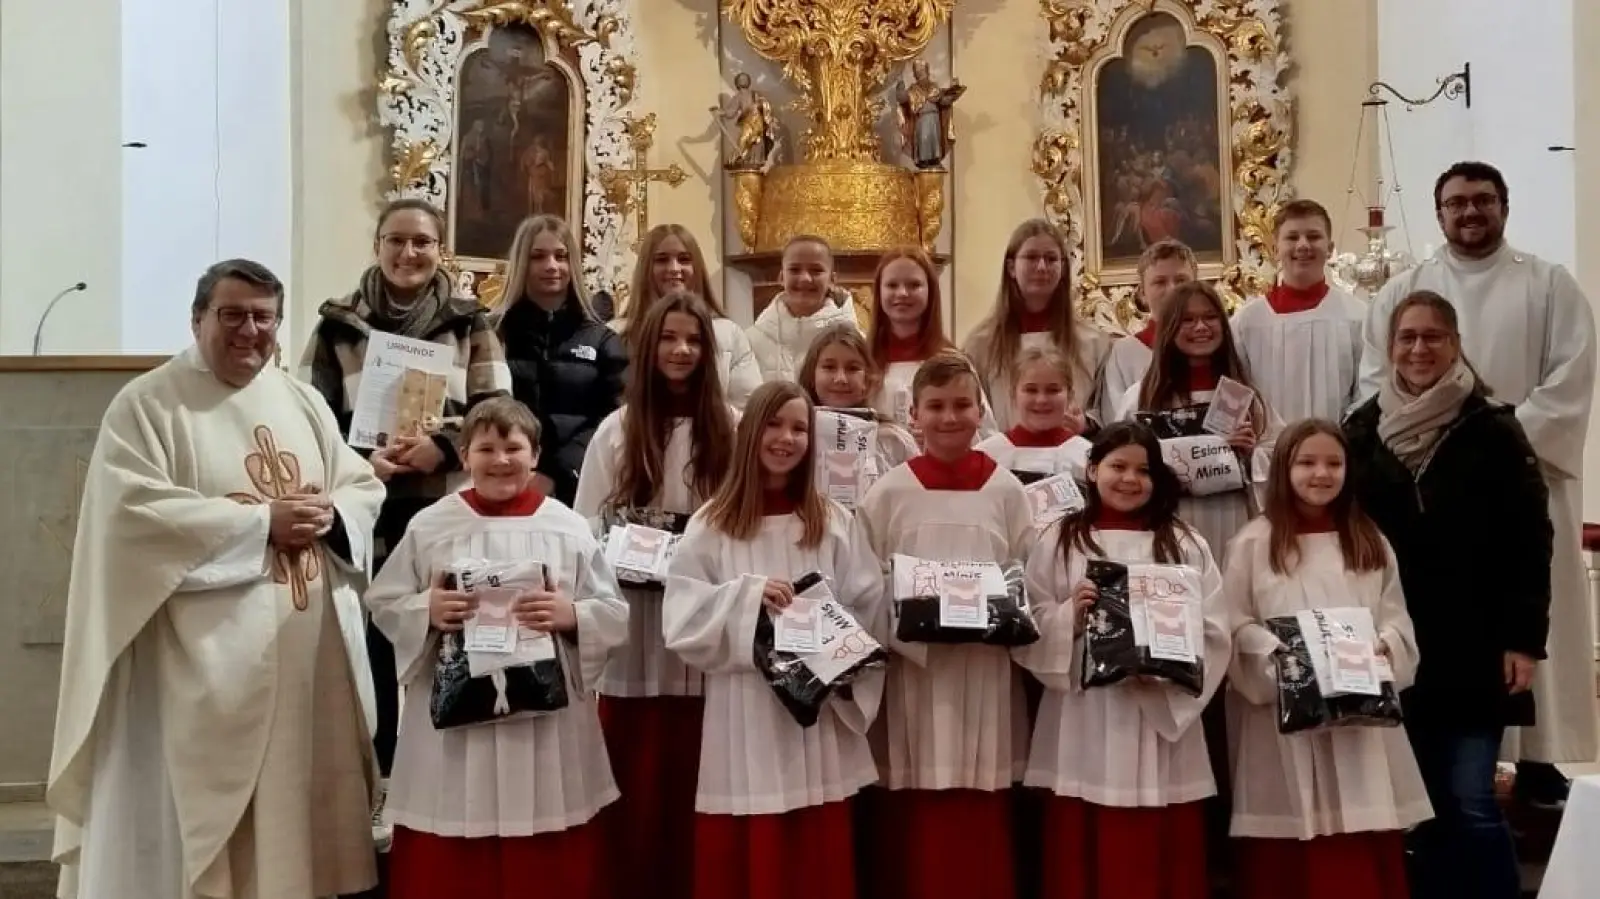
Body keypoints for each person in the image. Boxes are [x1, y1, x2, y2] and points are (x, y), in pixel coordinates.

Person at [48, 259, 387, 899]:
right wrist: (261, 524)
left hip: (304, 663)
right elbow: (132, 516)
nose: (249, 331)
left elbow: (360, 484)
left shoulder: (301, 399)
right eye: (231, 315)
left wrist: (332, 514)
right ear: (197, 319)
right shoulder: (149, 404)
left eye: (264, 317)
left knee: (298, 826)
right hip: (200, 669)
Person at [1356, 162, 1596, 805]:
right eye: (1456, 202)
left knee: (1530, 607)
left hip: (1522, 480)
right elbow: (1375, 380)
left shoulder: (1548, 284)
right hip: (1424, 485)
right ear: (1438, 212)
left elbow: (1572, 377)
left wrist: (1500, 440)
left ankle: (1540, 759)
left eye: (1483, 200)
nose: (1470, 211)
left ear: (1503, 207)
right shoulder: (1406, 288)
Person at [365, 397, 629, 899]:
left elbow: (614, 613)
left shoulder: (567, 527)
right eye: (486, 449)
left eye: (514, 448)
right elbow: (384, 602)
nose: (501, 460)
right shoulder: (431, 525)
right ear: (464, 455)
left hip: (546, 726)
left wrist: (572, 615)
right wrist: (427, 609)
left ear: (536, 455)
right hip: (455, 729)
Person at [301, 198, 510, 819]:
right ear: (378, 245)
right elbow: (310, 418)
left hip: (443, 506)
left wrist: (442, 446)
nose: (409, 253)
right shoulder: (336, 325)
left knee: (445, 635)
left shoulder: (471, 322)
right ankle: (380, 776)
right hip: (365, 509)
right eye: (397, 240)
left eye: (422, 242)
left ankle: (446, 779)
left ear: (440, 250)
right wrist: (361, 461)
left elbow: (497, 410)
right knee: (371, 641)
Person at [1345, 290, 1553, 899]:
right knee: (1418, 807)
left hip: (1474, 644)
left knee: (1470, 800)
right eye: (1407, 337)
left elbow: (1530, 540)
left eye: (1432, 336)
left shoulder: (1493, 427)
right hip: (1393, 645)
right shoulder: (1360, 430)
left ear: (1456, 344)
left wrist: (1524, 640)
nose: (1419, 348)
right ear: (1390, 347)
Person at [663, 381, 887, 899]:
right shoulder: (712, 524)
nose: (786, 438)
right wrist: (747, 598)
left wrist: (829, 629)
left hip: (815, 714)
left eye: (799, 428)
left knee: (814, 850)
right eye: (774, 424)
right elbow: (681, 620)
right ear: (748, 431)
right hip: (745, 711)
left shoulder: (831, 520)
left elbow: (867, 601)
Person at [1017, 422, 1229, 899]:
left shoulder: (1183, 542)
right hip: (1084, 713)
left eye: (1143, 470)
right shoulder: (1061, 539)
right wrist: (1070, 615)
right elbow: (1032, 614)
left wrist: (1169, 661)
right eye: (1118, 466)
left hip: (1158, 711)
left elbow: (1216, 628)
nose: (1130, 479)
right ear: (1092, 470)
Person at [573, 292, 737, 899]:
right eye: (669, 338)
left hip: (704, 626)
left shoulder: (732, 428)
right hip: (637, 630)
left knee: (698, 775)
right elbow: (585, 529)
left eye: (693, 340)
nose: (681, 350)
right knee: (636, 777)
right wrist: (626, 554)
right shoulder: (616, 432)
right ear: (648, 348)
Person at [1224, 419, 1430, 899]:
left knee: (1359, 834)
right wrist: (1278, 656)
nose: (1321, 474)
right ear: (1283, 468)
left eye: (1334, 463)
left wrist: (1385, 645)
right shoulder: (1254, 542)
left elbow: (1396, 617)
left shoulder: (1368, 538)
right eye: (1307, 462)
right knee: (1290, 839)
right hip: (1285, 716)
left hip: (1359, 717)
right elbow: (1234, 623)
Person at [858, 351, 1035, 899]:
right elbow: (865, 581)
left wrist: (1003, 614)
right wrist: (909, 615)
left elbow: (1028, 572)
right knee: (914, 795)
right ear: (914, 415)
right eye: (935, 406)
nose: (950, 417)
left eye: (962, 405)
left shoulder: (1007, 490)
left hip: (986, 669)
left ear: (981, 411)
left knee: (982, 796)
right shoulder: (889, 492)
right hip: (916, 672)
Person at [496, 214, 629, 507]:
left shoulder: (602, 339)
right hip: (503, 478)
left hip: (580, 486)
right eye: (538, 256)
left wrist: (556, 473)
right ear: (522, 262)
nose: (551, 266)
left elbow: (615, 417)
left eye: (561, 256)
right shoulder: (495, 333)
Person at [964, 219, 1112, 431]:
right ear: (1011, 267)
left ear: (1063, 269)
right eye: (1031, 257)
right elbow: (974, 413)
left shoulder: (1093, 341)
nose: (1042, 267)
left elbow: (1106, 410)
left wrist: (1085, 423)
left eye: (1051, 259)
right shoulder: (981, 344)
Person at [1233, 199, 1365, 423]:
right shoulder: (1245, 323)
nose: (1303, 245)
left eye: (1313, 236)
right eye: (1292, 237)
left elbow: (1365, 394)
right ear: (1275, 249)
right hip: (1267, 444)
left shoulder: (1357, 316)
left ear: (1330, 249)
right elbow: (1236, 395)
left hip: (1336, 441)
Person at [612, 224, 763, 409]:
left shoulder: (729, 334)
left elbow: (749, 408)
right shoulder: (615, 334)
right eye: (662, 260)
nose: (674, 268)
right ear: (645, 268)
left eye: (684, 259)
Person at [865, 247, 998, 437]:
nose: (902, 293)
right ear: (878, 292)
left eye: (914, 285)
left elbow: (984, 433)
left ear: (931, 291)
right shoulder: (863, 362)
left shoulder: (952, 362)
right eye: (892, 285)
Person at [797, 324, 920, 493]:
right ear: (812, 375)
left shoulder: (893, 441)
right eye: (829, 367)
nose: (841, 378)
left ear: (867, 379)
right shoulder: (796, 440)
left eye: (852, 368)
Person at [1096, 239, 1197, 424]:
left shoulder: (1212, 343)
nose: (1172, 289)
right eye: (1160, 282)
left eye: (1181, 280)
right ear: (1142, 293)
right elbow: (1117, 421)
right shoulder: (1124, 353)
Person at [746, 234, 861, 382]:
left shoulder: (857, 343)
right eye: (794, 270)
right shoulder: (750, 341)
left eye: (816, 270)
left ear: (832, 280)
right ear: (781, 277)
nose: (805, 278)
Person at [976, 345, 1094, 482]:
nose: (1041, 400)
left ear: (1070, 395)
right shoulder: (985, 456)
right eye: (1031, 390)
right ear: (1013, 395)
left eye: (1053, 390)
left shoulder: (1088, 457)